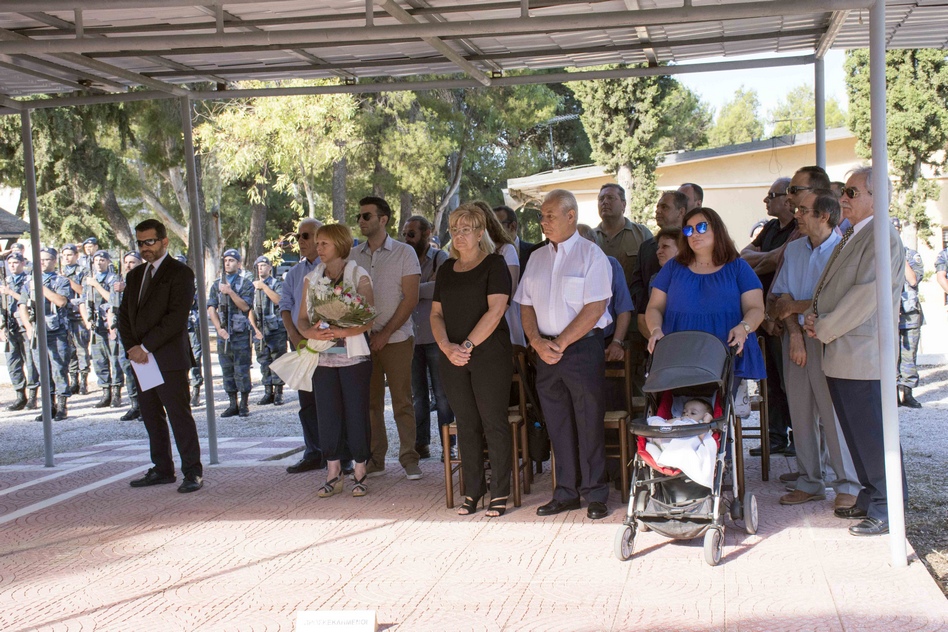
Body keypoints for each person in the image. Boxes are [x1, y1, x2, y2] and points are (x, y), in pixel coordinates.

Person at [803, 165, 907, 537]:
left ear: (876, 197)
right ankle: (871, 494)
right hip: (843, 352)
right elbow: (831, 286)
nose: (843, 199)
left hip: (862, 353)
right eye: (844, 192)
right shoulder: (856, 234)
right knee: (855, 432)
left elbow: (866, 293)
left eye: (851, 192)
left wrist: (825, 325)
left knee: (872, 435)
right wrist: (815, 317)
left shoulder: (882, 236)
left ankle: (887, 506)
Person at [517, 189, 613, 520]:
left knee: (588, 421)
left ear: (570, 216)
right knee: (557, 423)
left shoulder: (592, 255)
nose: (543, 222)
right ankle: (566, 492)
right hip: (545, 351)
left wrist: (561, 342)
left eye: (549, 215)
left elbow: (596, 306)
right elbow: (525, 304)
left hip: (582, 348)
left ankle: (596, 493)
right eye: (541, 216)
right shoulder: (537, 258)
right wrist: (536, 341)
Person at [768, 190, 860, 509]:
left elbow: (834, 302)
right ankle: (810, 481)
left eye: (804, 210)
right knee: (801, 412)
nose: (797, 215)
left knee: (832, 414)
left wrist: (795, 307)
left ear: (824, 216)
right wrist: (794, 333)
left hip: (829, 340)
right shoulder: (793, 249)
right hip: (796, 339)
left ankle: (847, 484)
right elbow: (780, 300)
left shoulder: (844, 250)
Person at [432, 203, 513, 517]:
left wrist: (465, 345)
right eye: (455, 230)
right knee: (465, 425)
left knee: (493, 423)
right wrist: (447, 346)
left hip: (488, 355)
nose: (459, 236)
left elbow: (496, 310)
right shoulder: (445, 269)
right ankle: (473, 491)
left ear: (481, 233)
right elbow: (435, 314)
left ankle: (500, 492)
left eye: (466, 230)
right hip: (452, 357)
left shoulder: (495, 264)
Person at [119, 219, 203, 493]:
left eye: (150, 242)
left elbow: (176, 318)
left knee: (179, 415)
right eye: (140, 243)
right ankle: (162, 469)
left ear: (165, 241)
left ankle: (192, 471)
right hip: (140, 360)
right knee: (151, 415)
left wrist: (146, 347)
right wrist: (133, 347)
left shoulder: (180, 273)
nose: (145, 248)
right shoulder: (135, 275)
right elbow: (124, 316)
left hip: (167, 359)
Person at [645, 207, 766, 387]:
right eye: (688, 229)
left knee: (717, 411)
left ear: (716, 229)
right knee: (676, 411)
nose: (694, 234)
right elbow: (654, 307)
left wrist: (744, 327)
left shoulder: (738, 267)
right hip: (678, 354)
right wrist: (655, 329)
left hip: (724, 353)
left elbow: (756, 309)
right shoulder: (672, 267)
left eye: (701, 227)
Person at [297, 224, 375, 498]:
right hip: (323, 359)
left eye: (324, 244)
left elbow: (369, 317)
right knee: (327, 415)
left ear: (340, 245)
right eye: (317, 243)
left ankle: (360, 470)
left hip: (354, 358)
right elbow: (302, 319)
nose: (318, 248)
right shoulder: (311, 277)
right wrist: (310, 334)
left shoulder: (358, 274)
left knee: (356, 413)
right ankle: (333, 472)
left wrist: (343, 331)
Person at [353, 196, 423, 480]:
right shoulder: (353, 255)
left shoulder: (405, 252)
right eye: (359, 216)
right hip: (362, 341)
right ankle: (376, 459)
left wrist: (385, 333)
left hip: (396, 339)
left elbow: (411, 299)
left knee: (402, 401)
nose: (361, 221)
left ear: (383, 219)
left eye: (366, 216)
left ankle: (409, 458)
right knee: (370, 402)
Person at [742, 177, 797, 456]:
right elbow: (744, 255)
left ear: (787, 199)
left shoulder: (799, 228)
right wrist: (768, 257)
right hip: (762, 315)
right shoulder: (771, 228)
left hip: (784, 318)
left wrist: (765, 258)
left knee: (791, 381)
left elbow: (782, 259)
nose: (766, 201)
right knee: (771, 380)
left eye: (770, 196)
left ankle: (799, 439)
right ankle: (775, 436)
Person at [402, 215, 454, 460]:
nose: (406, 238)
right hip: (411, 337)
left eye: (411, 233)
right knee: (417, 396)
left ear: (426, 234)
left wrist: (412, 291)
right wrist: (424, 289)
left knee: (443, 395)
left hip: (436, 337)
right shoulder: (403, 259)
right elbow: (397, 291)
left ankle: (448, 445)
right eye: (404, 234)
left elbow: (442, 289)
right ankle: (421, 444)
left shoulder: (441, 259)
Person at [280, 218, 327, 474]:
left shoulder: (332, 267)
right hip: (302, 345)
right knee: (307, 401)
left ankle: (338, 454)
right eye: (299, 236)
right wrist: (294, 335)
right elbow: (285, 305)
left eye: (306, 236)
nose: (301, 241)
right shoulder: (294, 273)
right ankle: (314, 452)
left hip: (328, 343)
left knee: (331, 401)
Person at [19, 247, 72, 421]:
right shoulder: (29, 283)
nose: (42, 262)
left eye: (47, 259)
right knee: (43, 370)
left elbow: (61, 301)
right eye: (39, 259)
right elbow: (22, 305)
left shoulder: (61, 281)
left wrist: (40, 287)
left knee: (59, 368)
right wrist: (28, 326)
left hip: (56, 332)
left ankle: (62, 407)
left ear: (54, 261)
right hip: (37, 332)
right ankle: (49, 406)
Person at [630, 191, 688, 340]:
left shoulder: (695, 243)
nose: (658, 211)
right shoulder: (646, 247)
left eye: (664, 207)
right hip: (651, 328)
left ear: (681, 211)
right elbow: (637, 285)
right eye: (657, 208)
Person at [207, 248, 255, 418]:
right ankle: (232, 403)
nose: (228, 263)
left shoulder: (246, 284)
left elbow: (245, 306)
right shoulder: (216, 284)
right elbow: (211, 308)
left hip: (240, 333)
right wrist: (219, 328)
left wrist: (230, 292)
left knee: (241, 368)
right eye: (226, 260)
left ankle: (244, 404)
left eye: (232, 260)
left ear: (239, 264)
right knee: (226, 369)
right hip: (224, 334)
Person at [477, 200, 523, 347]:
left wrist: (484, 324)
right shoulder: (463, 255)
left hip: (502, 324)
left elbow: (510, 292)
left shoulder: (506, 250)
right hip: (471, 327)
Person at [890, 218, 924, 408]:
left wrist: (899, 256)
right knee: (891, 355)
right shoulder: (880, 254)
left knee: (909, 355)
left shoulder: (911, 255)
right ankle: (893, 392)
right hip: (890, 315)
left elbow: (912, 280)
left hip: (909, 314)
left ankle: (907, 392)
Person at [82, 250, 123, 409]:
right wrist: (86, 319)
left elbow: (112, 298)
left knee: (114, 358)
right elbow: (83, 301)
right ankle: (105, 392)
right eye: (96, 260)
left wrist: (97, 285)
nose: (99, 263)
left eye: (102, 260)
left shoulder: (113, 279)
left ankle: (117, 393)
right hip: (96, 324)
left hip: (110, 324)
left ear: (107, 262)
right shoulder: (89, 280)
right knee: (99, 360)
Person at [1, 252, 39, 411]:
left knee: (30, 362)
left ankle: (32, 396)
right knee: (13, 363)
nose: (12, 266)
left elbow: (29, 301)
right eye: (10, 263)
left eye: (16, 263)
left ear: (23, 263)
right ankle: (19, 395)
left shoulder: (29, 281)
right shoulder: (5, 281)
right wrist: (1, 326)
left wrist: (10, 293)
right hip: (10, 327)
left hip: (24, 326)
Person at [250, 255, 288, 406]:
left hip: (276, 329)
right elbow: (249, 309)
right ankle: (268, 392)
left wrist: (264, 287)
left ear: (270, 268)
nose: (260, 268)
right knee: (263, 361)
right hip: (260, 329)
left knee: (278, 360)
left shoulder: (276, 284)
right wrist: (254, 329)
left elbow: (279, 301)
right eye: (258, 265)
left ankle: (279, 393)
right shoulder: (252, 286)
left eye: (264, 265)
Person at [113, 251, 144, 421]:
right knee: (127, 369)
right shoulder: (119, 284)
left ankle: (148, 407)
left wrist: (128, 290)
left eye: (132, 262)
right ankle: (135, 405)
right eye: (126, 262)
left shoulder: (145, 283)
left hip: (140, 337)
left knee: (143, 371)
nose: (128, 265)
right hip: (124, 336)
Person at [637, 227, 680, 338]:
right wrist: (661, 344)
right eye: (658, 247)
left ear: (682, 249)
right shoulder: (654, 280)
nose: (658, 251)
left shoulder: (698, 277)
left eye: (665, 246)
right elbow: (642, 319)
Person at [60, 243, 91, 395]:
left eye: (69, 255)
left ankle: (84, 381)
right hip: (64, 316)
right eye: (64, 255)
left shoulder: (83, 271)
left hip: (78, 315)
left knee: (81, 349)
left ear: (76, 256)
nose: (66, 258)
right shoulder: (59, 271)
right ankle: (74, 381)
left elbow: (83, 291)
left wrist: (67, 280)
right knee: (70, 350)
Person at [174, 254, 204, 407]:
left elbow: (193, 301)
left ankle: (196, 390)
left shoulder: (193, 283)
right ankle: (181, 391)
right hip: (175, 327)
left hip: (191, 325)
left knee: (195, 358)